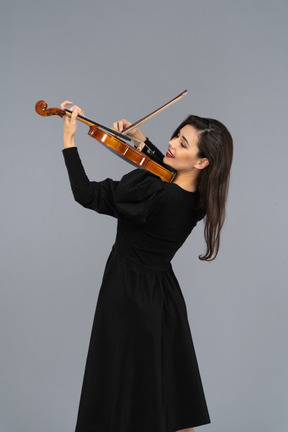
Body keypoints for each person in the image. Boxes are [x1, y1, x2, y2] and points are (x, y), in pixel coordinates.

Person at [60, 100, 233, 432]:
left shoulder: (157, 196)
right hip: (162, 296)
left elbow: (86, 194)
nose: (171, 143)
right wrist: (141, 141)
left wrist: (70, 139)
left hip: (127, 294)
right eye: (176, 136)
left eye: (183, 144)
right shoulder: (199, 199)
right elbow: (164, 171)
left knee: (121, 390)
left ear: (201, 160)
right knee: (169, 395)